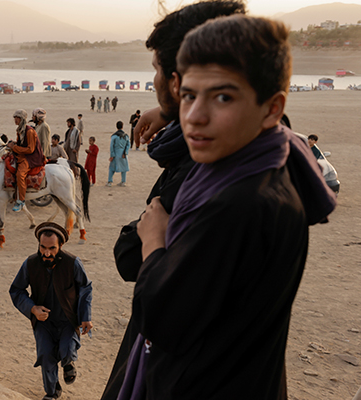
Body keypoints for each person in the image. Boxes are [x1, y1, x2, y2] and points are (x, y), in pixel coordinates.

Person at [117, 15, 336, 399]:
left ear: (271, 108)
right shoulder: (262, 165)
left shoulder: (236, 202)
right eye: (188, 95)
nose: (195, 116)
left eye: (222, 97)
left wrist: (153, 241)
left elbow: (163, 319)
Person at [102, 3, 247, 399]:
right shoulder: (261, 149)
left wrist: (150, 239)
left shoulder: (206, 174)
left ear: (177, 79)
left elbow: (134, 263)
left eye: (156, 71)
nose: (152, 80)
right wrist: (172, 113)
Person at [9, 222, 93, 400]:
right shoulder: (31, 263)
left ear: (60, 246)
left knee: (66, 349)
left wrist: (85, 317)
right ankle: (53, 391)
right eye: (43, 247)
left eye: (51, 248)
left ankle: (68, 362)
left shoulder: (73, 263)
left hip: (68, 320)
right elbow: (16, 290)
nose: (46, 253)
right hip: (43, 322)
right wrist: (33, 308)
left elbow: (86, 288)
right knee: (46, 356)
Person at [6, 109, 45, 212]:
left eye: (17, 118)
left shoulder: (30, 131)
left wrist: (14, 147)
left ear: (21, 119)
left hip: (31, 157)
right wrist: (12, 144)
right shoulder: (20, 130)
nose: (15, 120)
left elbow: (30, 149)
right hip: (23, 154)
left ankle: (21, 200)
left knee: (20, 174)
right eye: (14, 118)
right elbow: (21, 144)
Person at [107, 121, 129, 187]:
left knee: (112, 168)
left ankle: (110, 181)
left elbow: (111, 146)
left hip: (116, 153)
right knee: (124, 168)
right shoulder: (126, 136)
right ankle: (123, 181)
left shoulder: (114, 136)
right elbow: (128, 145)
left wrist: (112, 155)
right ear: (122, 126)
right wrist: (125, 153)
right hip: (123, 154)